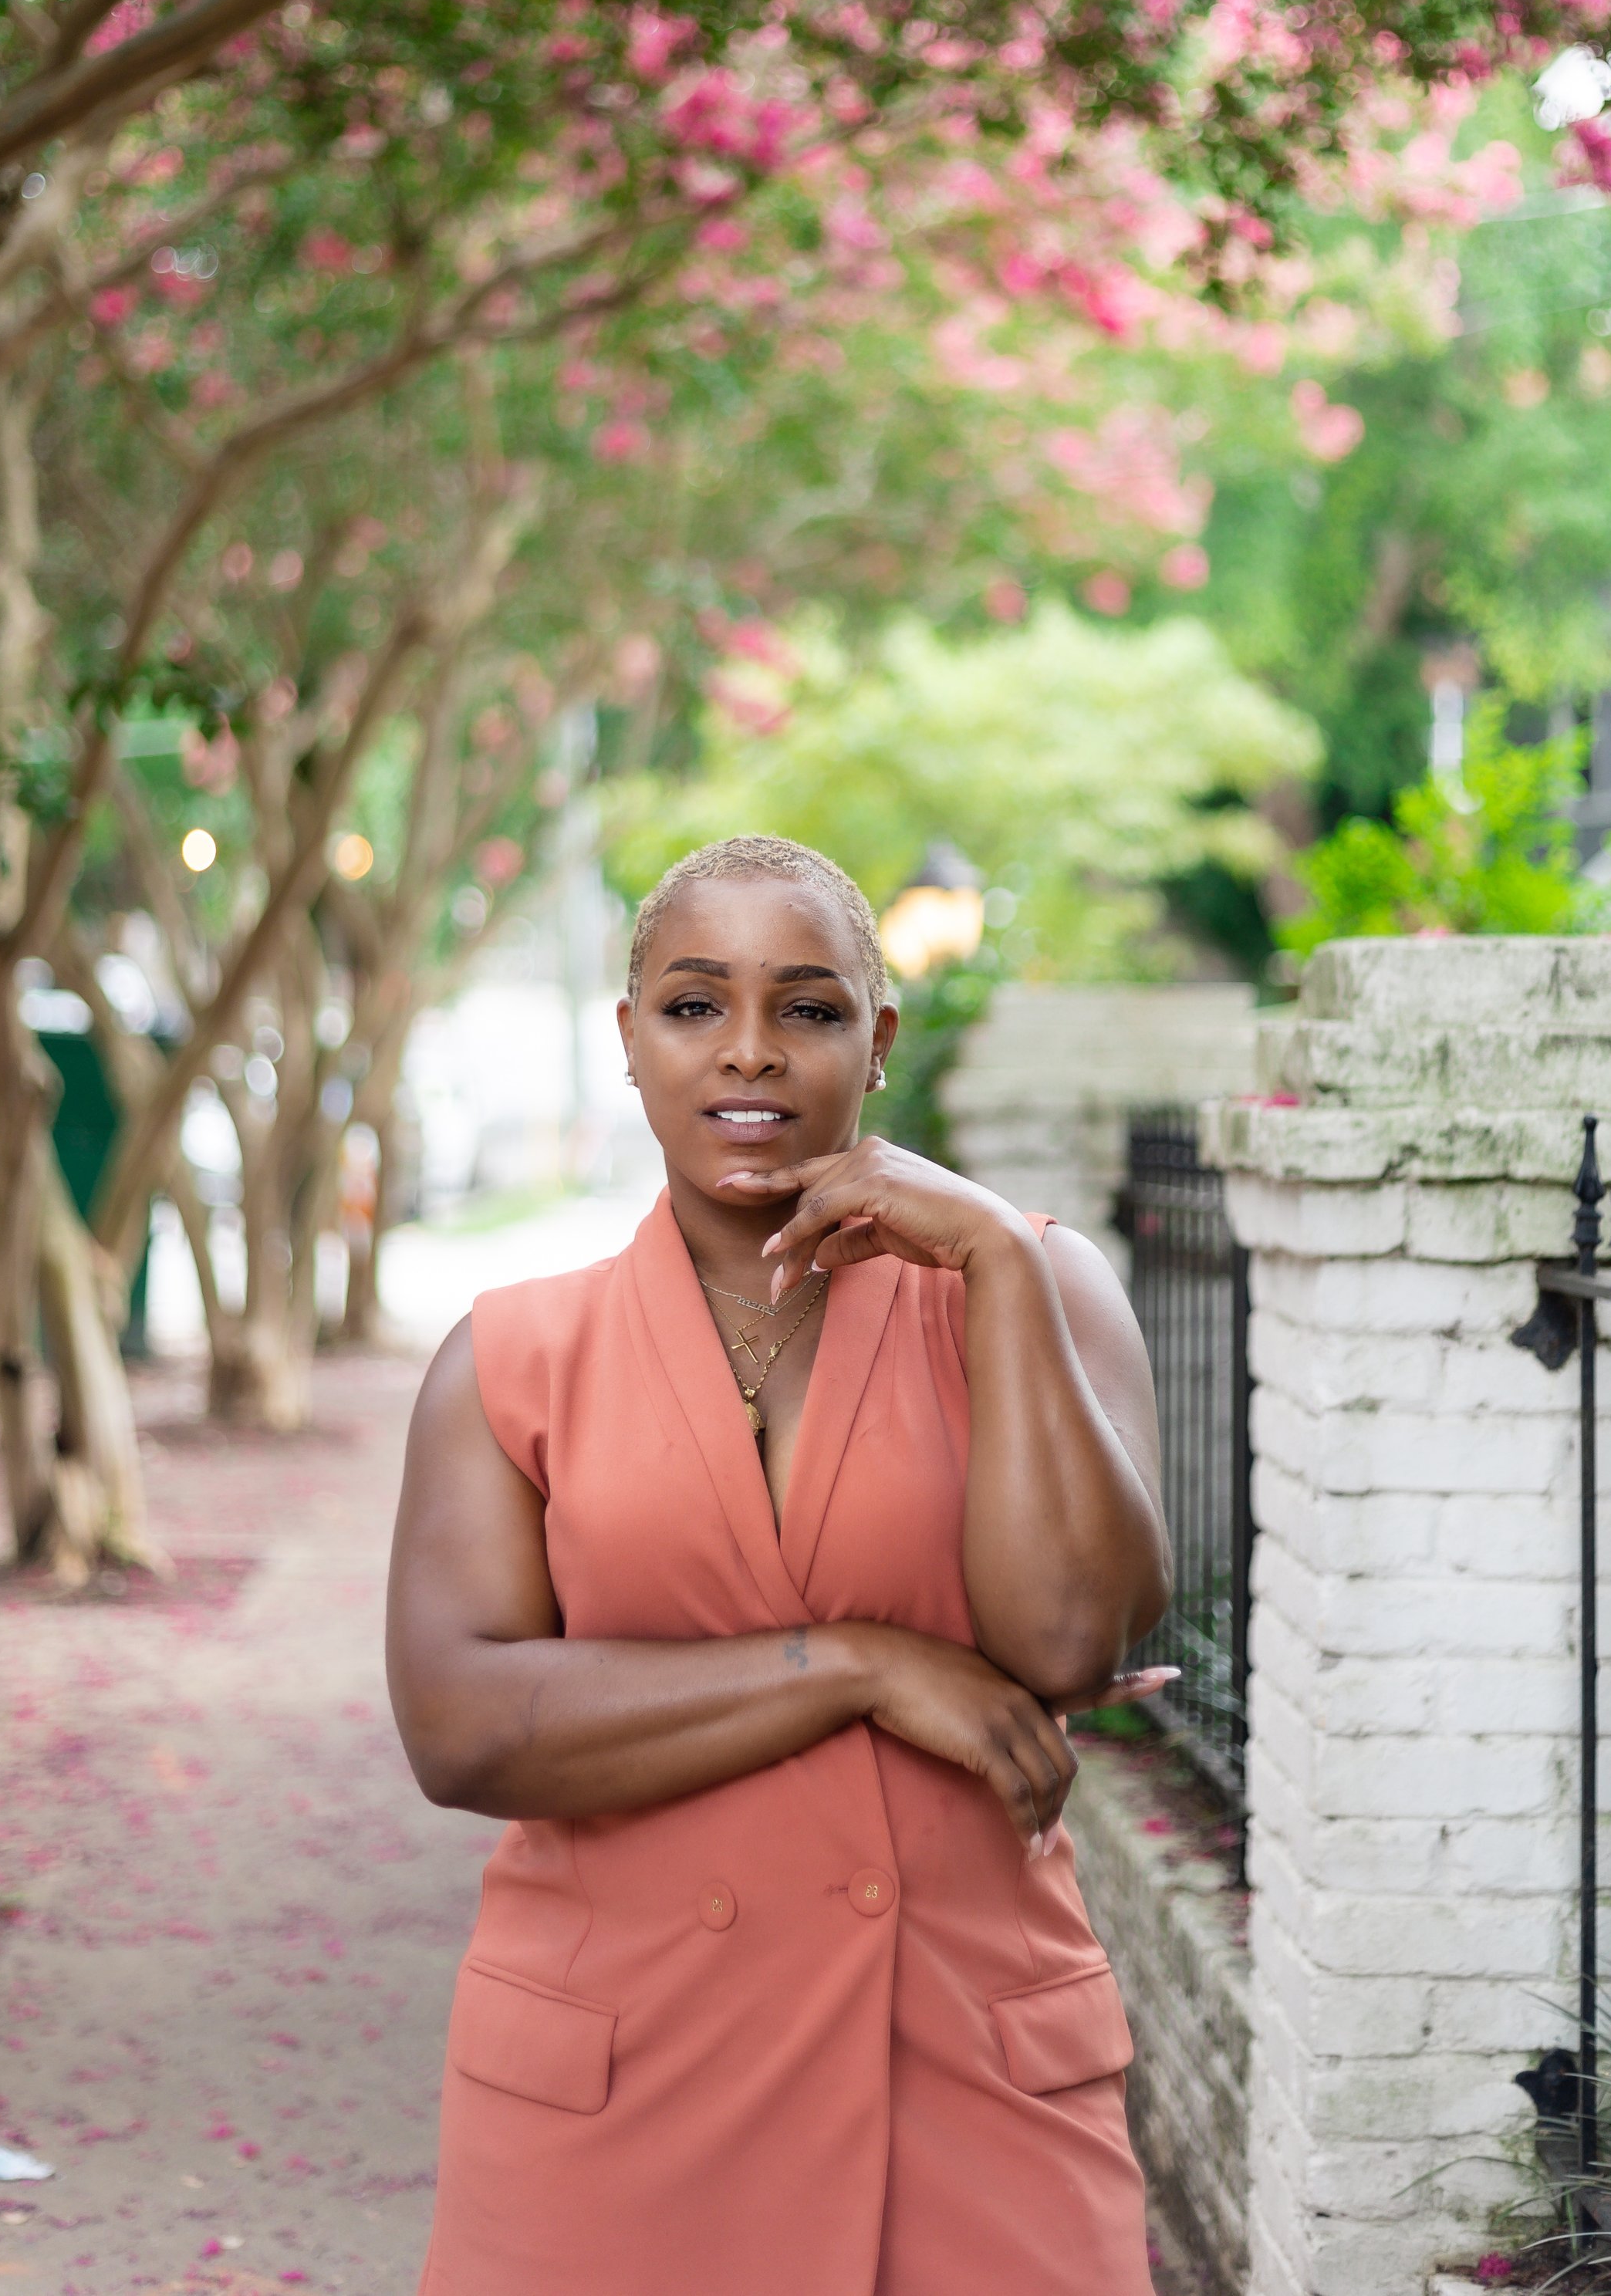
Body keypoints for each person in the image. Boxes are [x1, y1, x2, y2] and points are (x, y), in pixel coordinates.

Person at [387, 834, 1174, 2296]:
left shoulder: (1037, 1283)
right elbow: (463, 1723)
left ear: (877, 1040)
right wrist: (863, 1665)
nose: (749, 1051)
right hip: (610, 2099)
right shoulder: (508, 1358)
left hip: (965, 2076)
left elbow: (1069, 1637)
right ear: (630, 1041)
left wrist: (993, 1260)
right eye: (695, 1006)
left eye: (807, 1008)